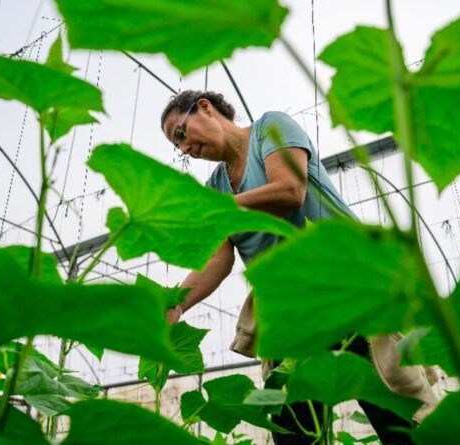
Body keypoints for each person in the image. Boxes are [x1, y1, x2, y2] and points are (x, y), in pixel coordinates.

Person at [160, 91, 436, 444]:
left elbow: (290, 190)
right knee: (295, 433)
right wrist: (178, 302)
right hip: (288, 315)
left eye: (180, 134)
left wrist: (217, 211)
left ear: (204, 108)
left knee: (399, 411)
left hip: (346, 288)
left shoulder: (269, 128)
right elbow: (218, 259)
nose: (183, 149)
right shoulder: (213, 189)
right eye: (176, 146)